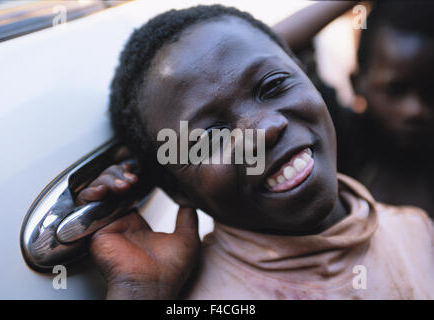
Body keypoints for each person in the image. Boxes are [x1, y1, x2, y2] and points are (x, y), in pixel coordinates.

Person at [77, 5, 434, 299]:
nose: (263, 130)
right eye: (211, 135)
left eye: (274, 85)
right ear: (177, 187)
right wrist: (139, 292)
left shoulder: (418, 233)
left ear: (307, 74)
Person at [273, 1, 434, 217]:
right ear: (357, 83)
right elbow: (263, 48)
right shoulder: (337, 140)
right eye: (395, 90)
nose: (415, 110)